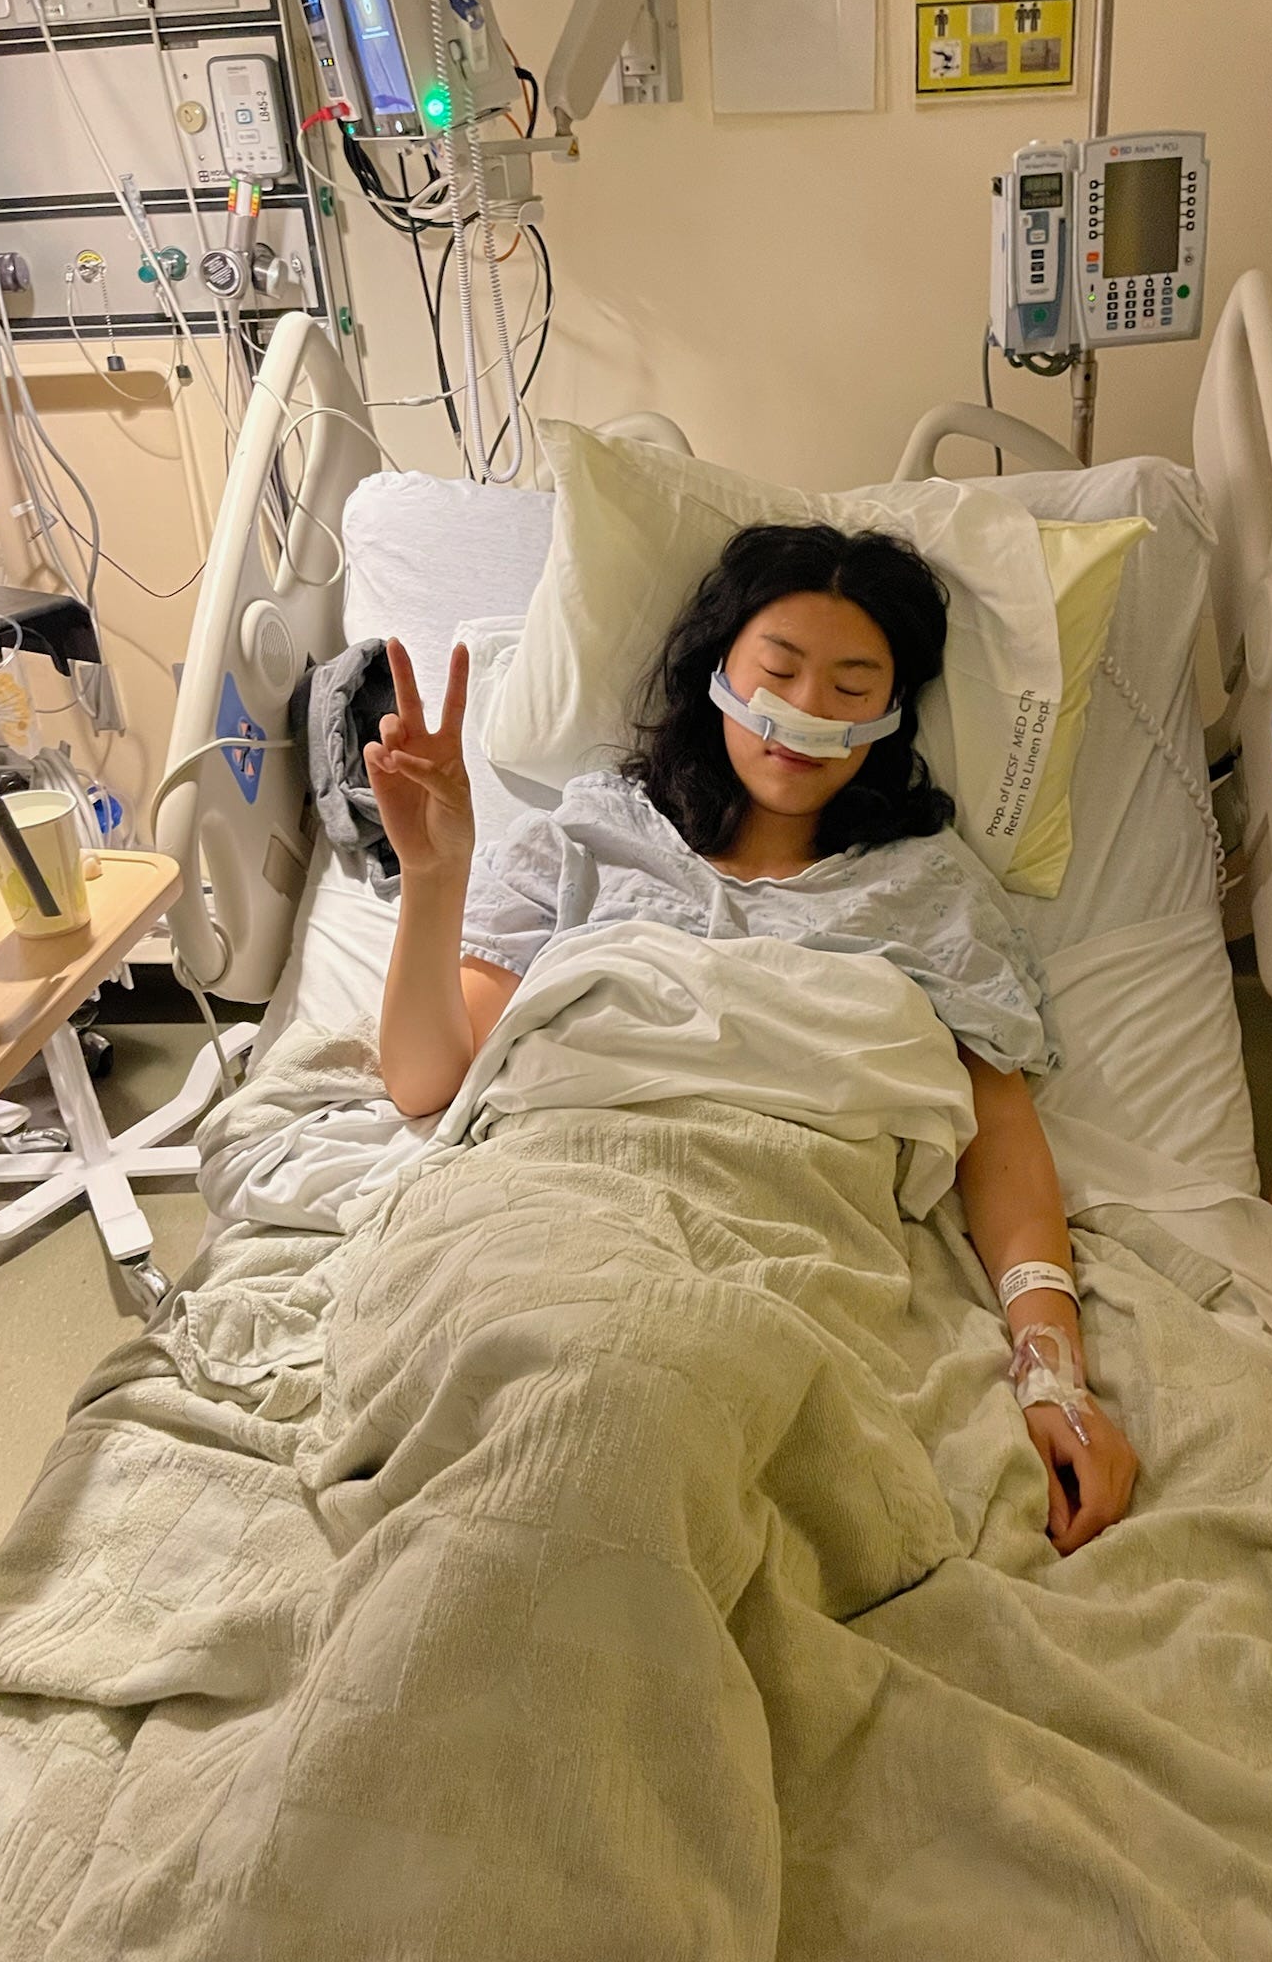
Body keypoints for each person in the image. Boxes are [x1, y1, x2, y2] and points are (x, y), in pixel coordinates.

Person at [365, 522, 1139, 1555]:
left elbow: (1001, 1141)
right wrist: (435, 876)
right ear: (718, 670)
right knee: (584, 1398)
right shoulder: (595, 835)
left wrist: (1052, 1372)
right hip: (558, 1198)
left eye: (852, 686)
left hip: (792, 1227)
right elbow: (425, 1083)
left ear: (894, 715)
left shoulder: (931, 891)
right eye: (779, 670)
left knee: (644, 1415)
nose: (806, 709)